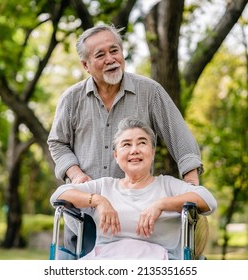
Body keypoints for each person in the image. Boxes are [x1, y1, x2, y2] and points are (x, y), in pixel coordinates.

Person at [47, 23, 203, 186]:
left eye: (114, 51)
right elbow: (57, 143)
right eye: (100, 55)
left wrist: (191, 182)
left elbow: (180, 137)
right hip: (84, 201)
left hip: (136, 203)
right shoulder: (71, 99)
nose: (110, 59)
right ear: (86, 65)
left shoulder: (150, 92)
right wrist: (76, 174)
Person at [50, 118, 217, 260]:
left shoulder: (168, 185)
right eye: (126, 144)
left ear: (152, 152)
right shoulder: (105, 186)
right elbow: (59, 195)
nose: (134, 150)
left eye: (142, 143)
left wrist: (162, 204)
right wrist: (99, 201)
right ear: (116, 155)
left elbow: (208, 200)